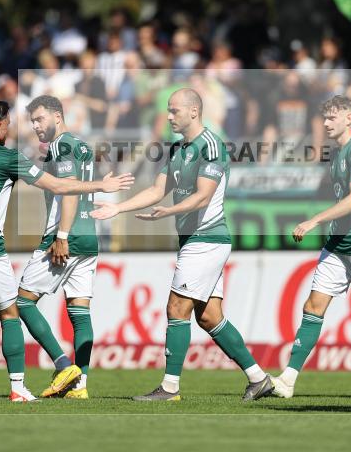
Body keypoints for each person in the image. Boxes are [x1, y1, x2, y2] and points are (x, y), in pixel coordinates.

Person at [0, 101, 134, 402]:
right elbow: (59, 186)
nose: (18, 128)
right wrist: (100, 184)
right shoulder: (9, 157)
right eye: (12, 123)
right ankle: (23, 385)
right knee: (11, 312)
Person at [91, 88, 274, 402]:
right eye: (168, 110)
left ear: (194, 111)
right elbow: (156, 189)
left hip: (207, 239)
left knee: (176, 307)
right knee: (209, 317)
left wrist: (170, 211)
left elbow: (203, 195)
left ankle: (170, 388)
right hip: (195, 240)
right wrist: (118, 207)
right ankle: (259, 379)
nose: (169, 116)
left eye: (174, 111)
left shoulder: (212, 146)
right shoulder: (178, 149)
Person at [270, 94, 351, 398]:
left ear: (348, 117)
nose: (325, 123)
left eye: (331, 117)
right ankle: (288, 380)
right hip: (338, 244)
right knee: (313, 307)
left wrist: (314, 221)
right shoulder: (335, 154)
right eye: (324, 118)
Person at [17, 95, 100, 399]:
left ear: (57, 116)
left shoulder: (61, 146)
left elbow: (69, 191)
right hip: (90, 236)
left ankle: (64, 365)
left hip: (67, 236)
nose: (35, 126)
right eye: (32, 121)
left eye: (39, 119)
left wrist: (62, 234)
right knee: (79, 311)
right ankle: (80, 385)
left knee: (23, 302)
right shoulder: (80, 144)